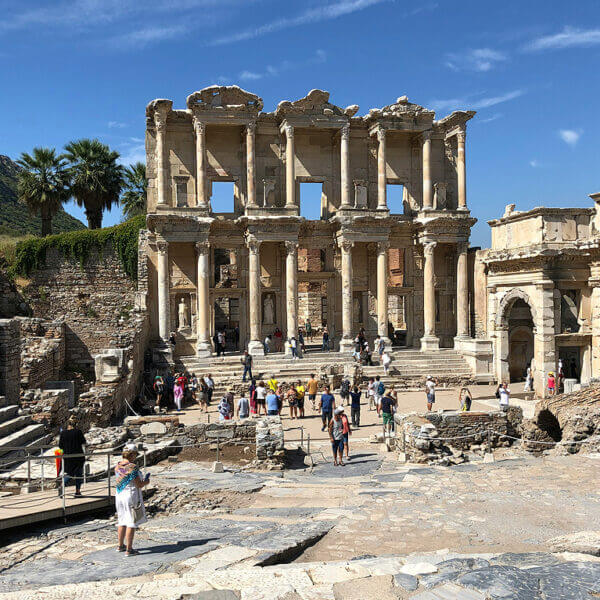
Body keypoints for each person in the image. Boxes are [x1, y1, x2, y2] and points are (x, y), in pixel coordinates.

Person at [115, 443, 150, 556]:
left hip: (119, 495)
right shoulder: (132, 467)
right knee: (131, 521)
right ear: (132, 454)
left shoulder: (118, 465)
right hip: (130, 495)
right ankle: (129, 549)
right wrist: (146, 482)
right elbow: (139, 484)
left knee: (121, 520)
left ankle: (120, 545)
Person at [58, 416, 87, 497]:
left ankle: (62, 485)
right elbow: (83, 442)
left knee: (69, 473)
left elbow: (60, 446)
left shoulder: (63, 433)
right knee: (78, 474)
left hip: (67, 457)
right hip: (78, 456)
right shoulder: (78, 432)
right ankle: (77, 492)